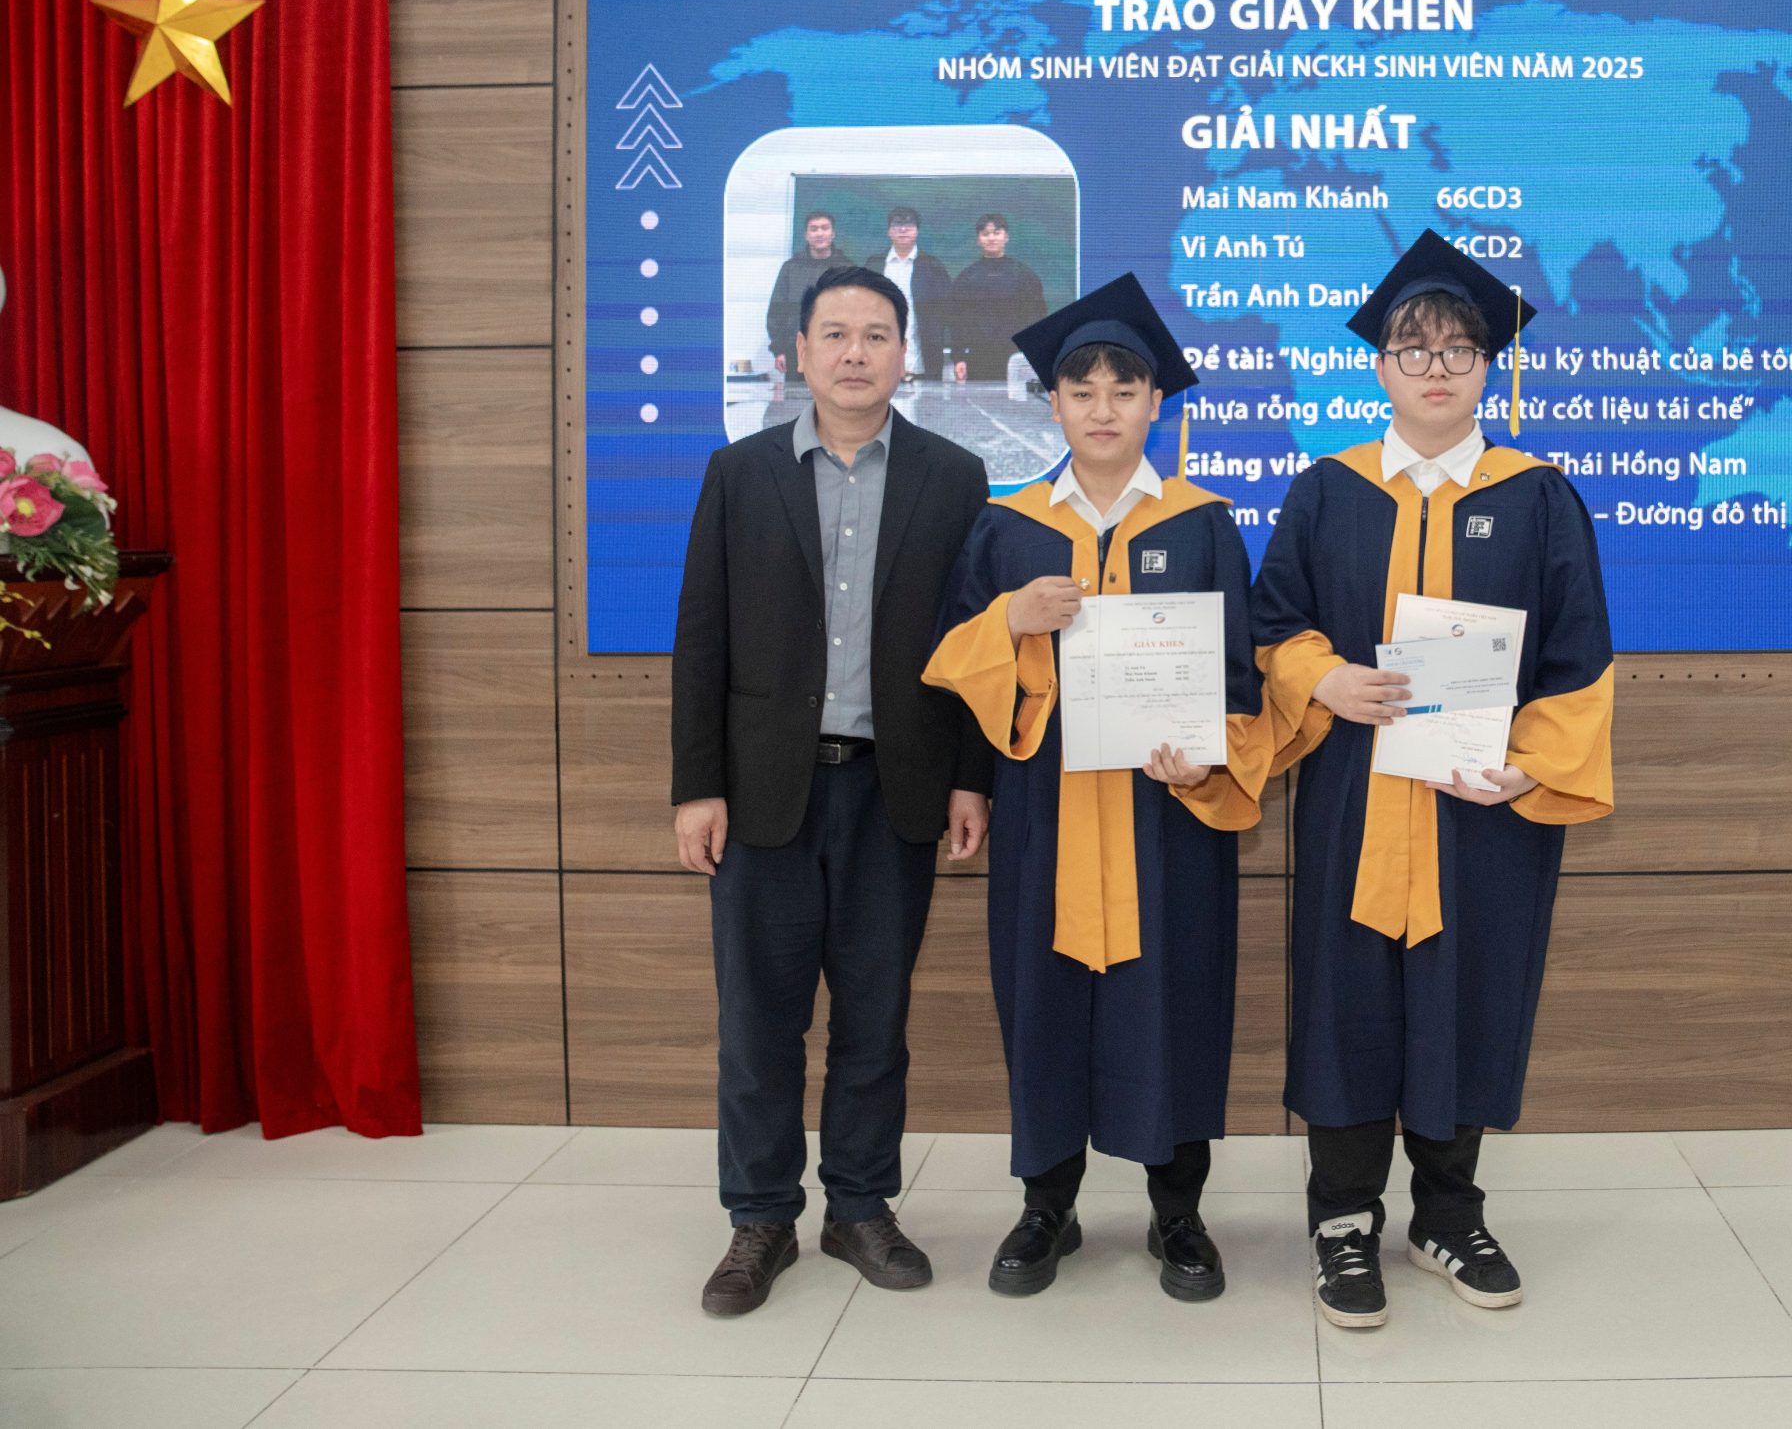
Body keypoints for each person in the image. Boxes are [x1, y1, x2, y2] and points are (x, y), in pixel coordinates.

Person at [1250, 229, 1615, 1330]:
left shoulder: (1539, 496)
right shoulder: (1328, 489)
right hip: (1355, 798)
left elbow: (1579, 658)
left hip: (1481, 806)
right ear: (1381, 366)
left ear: (1488, 365)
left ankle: (1448, 1212)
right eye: (1414, 349)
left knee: (1472, 992)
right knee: (1348, 997)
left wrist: (1529, 770)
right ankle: (1343, 1216)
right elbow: (1274, 624)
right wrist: (1324, 679)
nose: (1437, 369)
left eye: (1460, 349)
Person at [923, 274, 1270, 1303]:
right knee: (1044, 998)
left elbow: (1241, 679)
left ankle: (1178, 1210)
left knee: (1178, 994)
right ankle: (1048, 1206)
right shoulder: (1009, 526)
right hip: (1045, 813)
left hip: (1169, 816)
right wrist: (1010, 619)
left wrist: (1209, 759)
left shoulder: (1204, 524)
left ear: (1156, 401)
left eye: (1125, 389)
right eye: (1083, 391)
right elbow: (950, 659)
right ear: (1054, 404)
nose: (1105, 408)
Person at [672, 262, 995, 1317]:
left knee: (874, 1017)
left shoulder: (955, 477)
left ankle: (859, 1204)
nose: (856, 352)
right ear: (800, 352)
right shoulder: (740, 472)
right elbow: (701, 639)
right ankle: (760, 1216)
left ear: (906, 353)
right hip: (764, 792)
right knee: (758, 1022)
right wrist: (696, 786)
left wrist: (971, 779)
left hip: (894, 791)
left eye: (876, 334)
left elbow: (974, 645)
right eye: (835, 334)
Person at [942, 212, 1050, 382]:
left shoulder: (1023, 275)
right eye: (985, 234)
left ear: (1006, 237)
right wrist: (959, 358)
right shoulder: (967, 277)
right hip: (977, 357)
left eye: (996, 233)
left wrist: (1034, 355)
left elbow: (1037, 318)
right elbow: (957, 322)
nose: (991, 238)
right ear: (978, 239)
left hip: (1015, 358)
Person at [863, 205, 950, 381]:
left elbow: (946, 312)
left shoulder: (932, 266)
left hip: (922, 363)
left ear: (917, 231)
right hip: (879, 367)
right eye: (897, 224)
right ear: (889, 231)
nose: (903, 229)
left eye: (909, 225)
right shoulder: (874, 265)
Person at [761, 210, 846, 381]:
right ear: (806, 235)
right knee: (796, 398)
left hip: (837, 352)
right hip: (796, 352)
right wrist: (779, 350)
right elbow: (777, 311)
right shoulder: (790, 269)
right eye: (814, 229)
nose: (819, 233)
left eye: (824, 228)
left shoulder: (846, 268)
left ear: (833, 234)